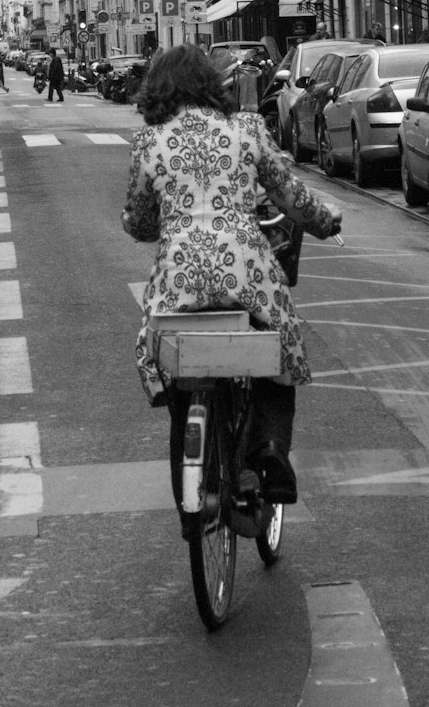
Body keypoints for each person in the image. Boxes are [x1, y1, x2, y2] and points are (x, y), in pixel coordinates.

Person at [122, 44, 341, 520]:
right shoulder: (246, 130)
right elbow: (292, 195)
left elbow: (138, 224)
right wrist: (326, 221)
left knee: (181, 381)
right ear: (211, 84)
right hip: (245, 270)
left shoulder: (148, 142)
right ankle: (266, 447)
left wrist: (167, 220)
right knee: (279, 349)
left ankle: (192, 500)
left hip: (178, 279)